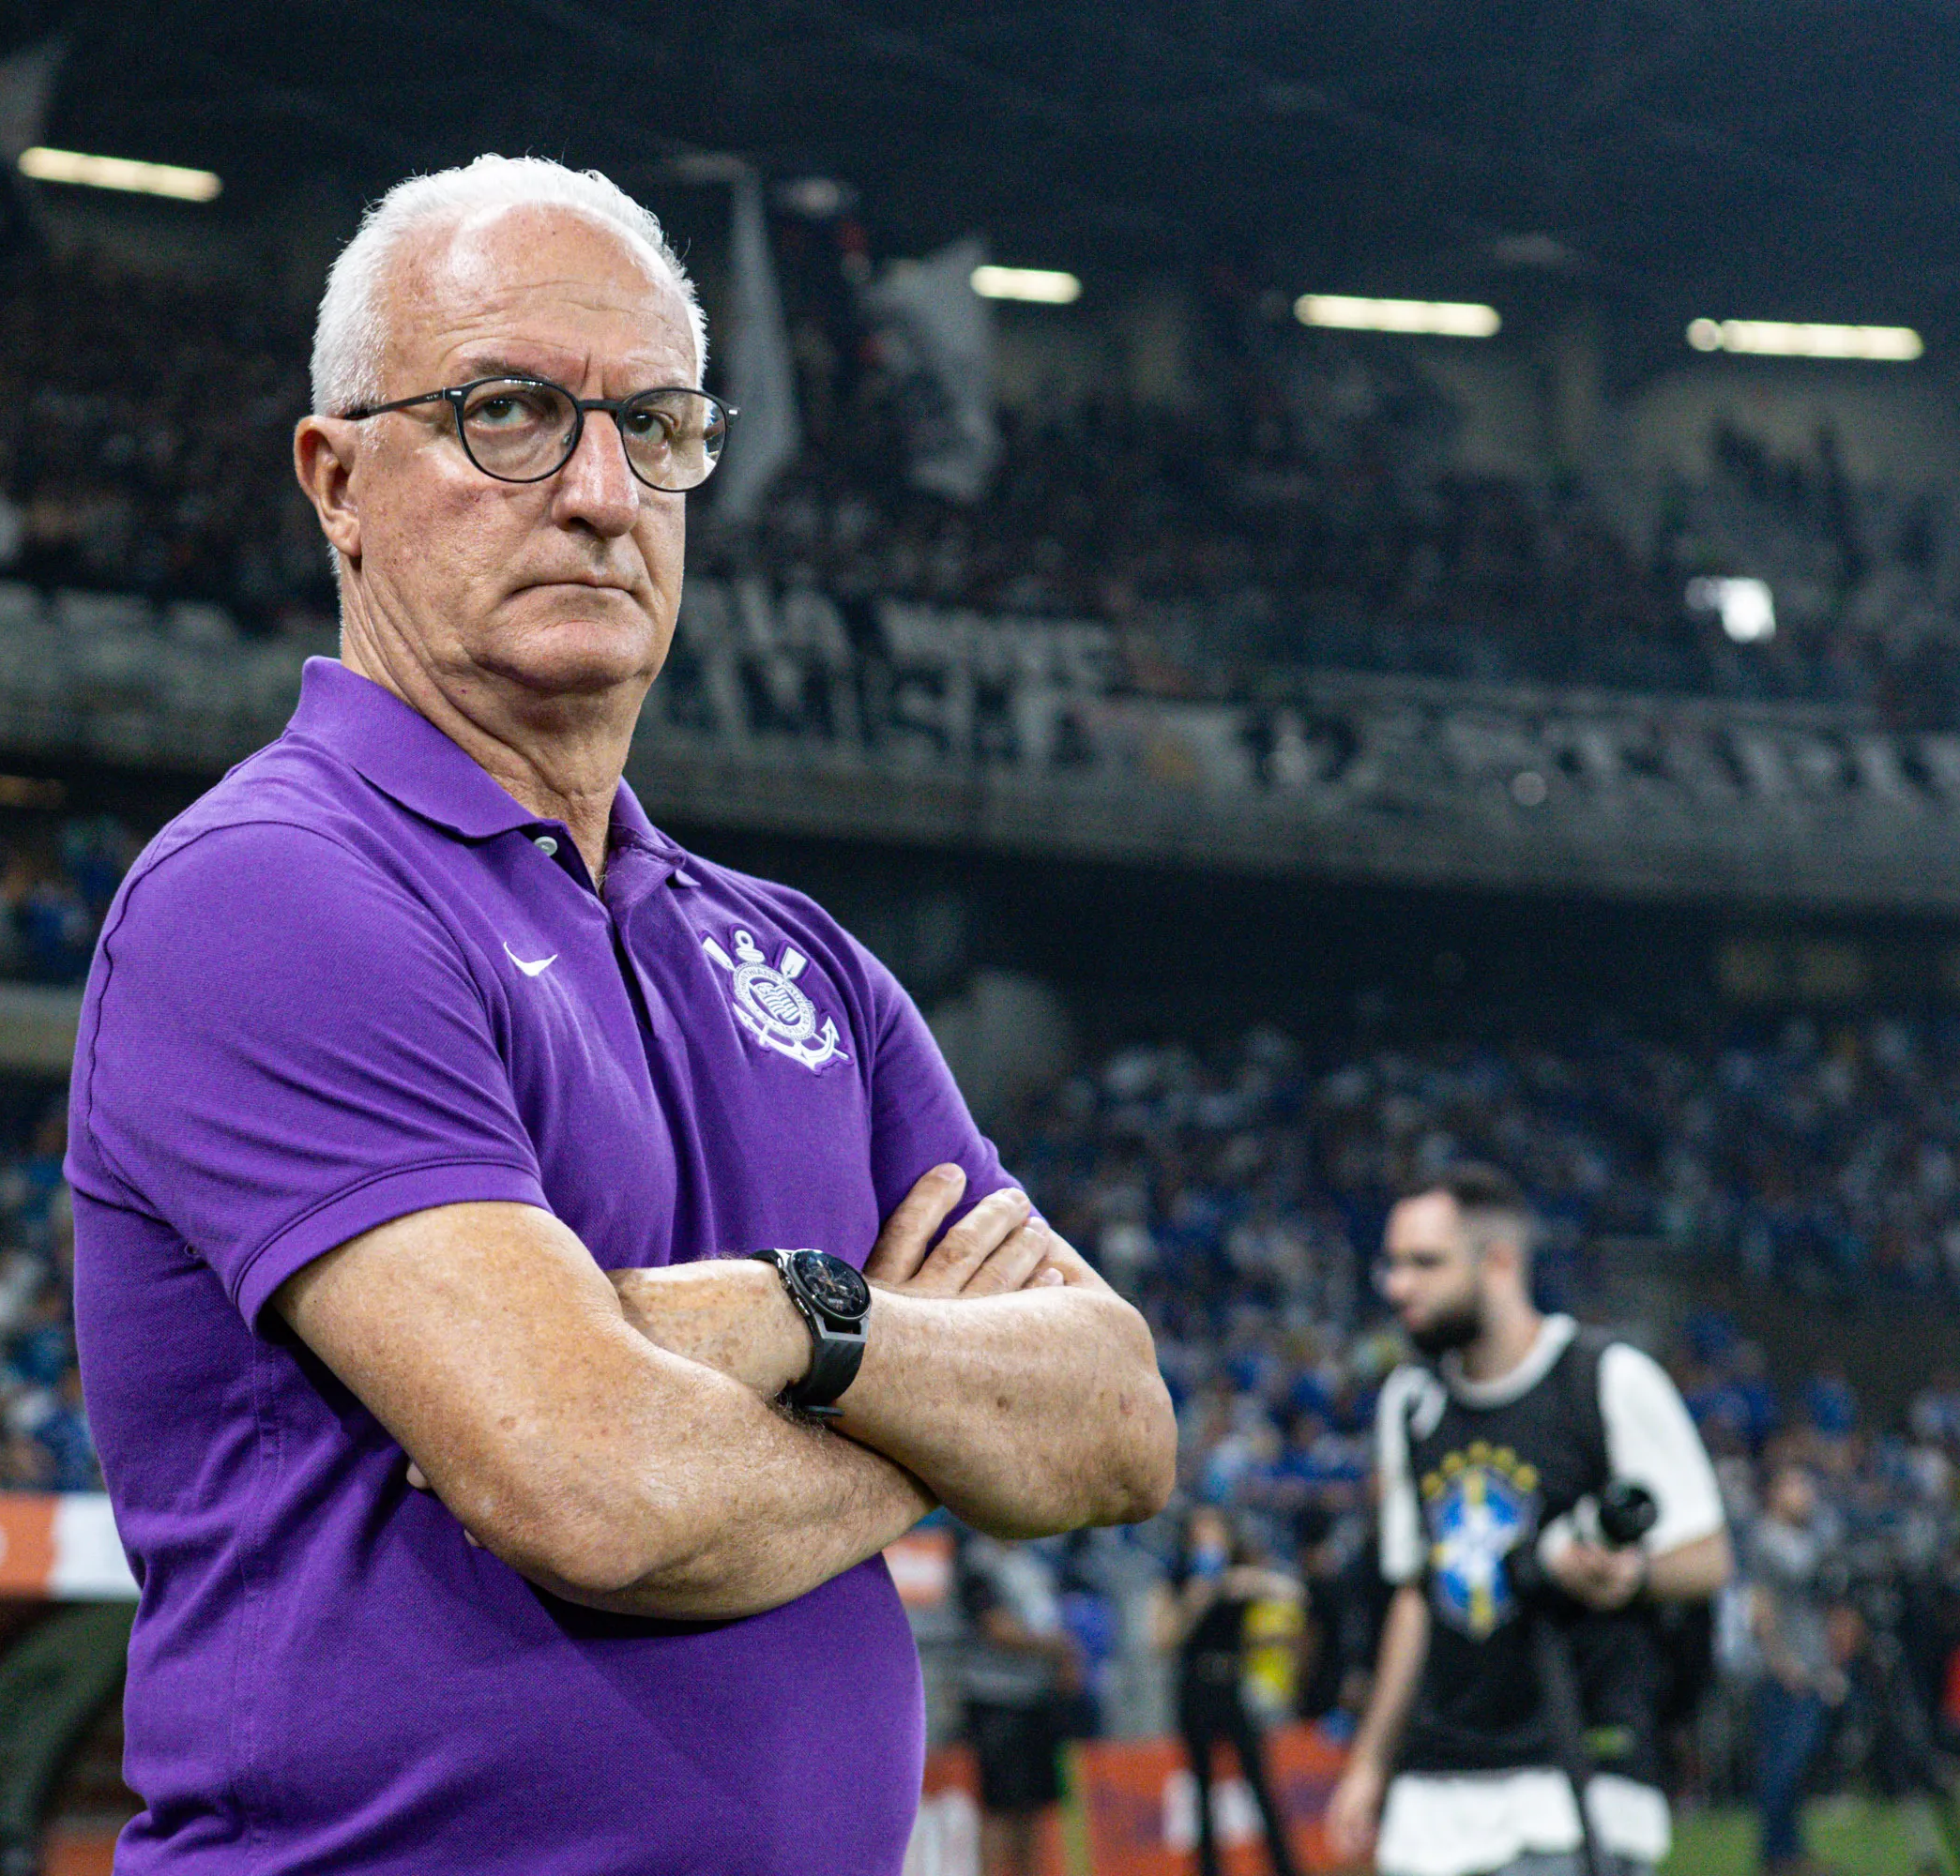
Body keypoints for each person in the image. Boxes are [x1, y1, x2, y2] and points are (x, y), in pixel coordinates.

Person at [68, 154, 1177, 1874]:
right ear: (337, 478)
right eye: (509, 412)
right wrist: (933, 1430)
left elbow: (1116, 1421)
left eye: (655, 427)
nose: (599, 489)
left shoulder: (798, 958)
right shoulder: (271, 895)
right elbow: (590, 1488)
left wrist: (789, 1324)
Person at [1324, 1167, 1731, 1876]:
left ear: (1501, 1262)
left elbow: (1708, 1557)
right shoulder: (1410, 1402)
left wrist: (1626, 1573)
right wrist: (1370, 1764)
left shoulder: (1604, 1378)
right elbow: (1417, 1594)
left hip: (1569, 1784)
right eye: (1391, 1264)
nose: (1396, 1287)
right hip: (1436, 1799)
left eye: (1425, 1263)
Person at [1154, 1505, 1305, 1876]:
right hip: (1194, 1690)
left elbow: (1294, 1593)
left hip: (1233, 1686)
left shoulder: (1238, 1576)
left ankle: (1283, 1866)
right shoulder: (1176, 1579)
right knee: (1201, 1788)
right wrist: (1199, 1595)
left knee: (1259, 1781)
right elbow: (1162, 1639)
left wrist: (1246, 1580)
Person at [957, 1530, 1086, 1876]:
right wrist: (1056, 1648)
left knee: (1033, 1807)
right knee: (1000, 1808)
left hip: (1036, 1698)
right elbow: (994, 1627)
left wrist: (1060, 1660)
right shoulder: (978, 1560)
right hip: (996, 1697)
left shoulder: (1032, 1562)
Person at [1744, 1464, 1844, 1876]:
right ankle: (1777, 1855)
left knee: (1797, 1763)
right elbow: (1761, 1607)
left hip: (1813, 1660)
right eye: (1795, 1484)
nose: (1805, 1492)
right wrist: (1781, 1663)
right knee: (1781, 1763)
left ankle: (1793, 1850)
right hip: (1785, 1669)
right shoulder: (1767, 1539)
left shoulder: (1810, 1536)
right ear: (1774, 1493)